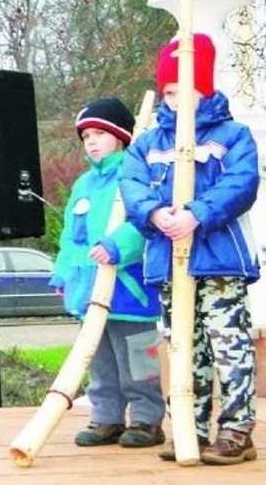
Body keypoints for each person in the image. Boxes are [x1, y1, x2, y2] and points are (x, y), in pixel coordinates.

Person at [120, 33, 260, 465]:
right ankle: (191, 426)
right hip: (170, 263)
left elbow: (241, 183)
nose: (179, 100)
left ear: (207, 88)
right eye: (170, 92)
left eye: (188, 90)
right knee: (184, 345)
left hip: (218, 261)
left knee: (227, 343)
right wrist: (155, 214)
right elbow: (133, 184)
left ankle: (237, 428)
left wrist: (197, 213)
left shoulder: (232, 135)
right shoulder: (148, 142)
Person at [49, 98, 165, 449]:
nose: (92, 142)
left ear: (121, 137)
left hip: (128, 286)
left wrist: (117, 246)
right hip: (90, 289)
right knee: (98, 359)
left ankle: (147, 419)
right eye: (86, 137)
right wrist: (63, 273)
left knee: (137, 356)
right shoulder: (84, 185)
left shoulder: (137, 175)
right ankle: (106, 417)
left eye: (100, 133)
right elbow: (72, 235)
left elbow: (145, 224)